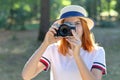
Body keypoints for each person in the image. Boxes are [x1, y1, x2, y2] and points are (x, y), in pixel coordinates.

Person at [22, 5, 107, 80]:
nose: (73, 29)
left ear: (84, 27)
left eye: (77, 23)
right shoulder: (53, 49)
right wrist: (45, 44)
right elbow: (26, 76)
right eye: (68, 25)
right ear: (61, 28)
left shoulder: (97, 51)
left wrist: (76, 55)